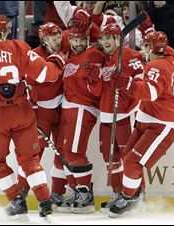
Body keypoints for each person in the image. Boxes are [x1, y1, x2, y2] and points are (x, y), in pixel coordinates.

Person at [0, 14, 65, 218]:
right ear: (5, 30)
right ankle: (44, 201)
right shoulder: (19, 47)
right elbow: (45, 75)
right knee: (30, 159)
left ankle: (16, 200)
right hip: (22, 111)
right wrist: (57, 62)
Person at [108, 31, 174, 217]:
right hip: (148, 116)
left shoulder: (156, 66)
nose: (142, 50)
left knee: (132, 161)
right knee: (128, 156)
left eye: (145, 46)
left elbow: (151, 93)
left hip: (163, 122)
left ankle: (129, 197)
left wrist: (127, 84)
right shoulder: (170, 54)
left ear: (150, 48)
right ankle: (138, 194)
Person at [86, 23, 144, 213]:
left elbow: (140, 82)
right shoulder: (105, 60)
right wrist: (93, 80)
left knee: (129, 157)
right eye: (102, 39)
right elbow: (97, 93)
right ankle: (119, 192)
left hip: (125, 114)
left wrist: (126, 86)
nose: (104, 42)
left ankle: (136, 194)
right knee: (110, 157)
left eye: (108, 38)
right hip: (106, 114)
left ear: (118, 39)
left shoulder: (130, 55)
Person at [16, 22, 69, 211]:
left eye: (58, 37)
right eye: (52, 38)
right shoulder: (35, 56)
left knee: (62, 151)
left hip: (61, 107)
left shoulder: (65, 47)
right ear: (43, 40)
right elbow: (26, 85)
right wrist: (32, 111)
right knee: (33, 155)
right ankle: (20, 194)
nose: (57, 41)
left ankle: (58, 192)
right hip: (41, 112)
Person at [58, 25, 105, 214]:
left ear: (87, 39)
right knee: (64, 152)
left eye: (81, 40)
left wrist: (95, 81)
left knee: (75, 152)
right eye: (74, 40)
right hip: (68, 106)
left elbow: (98, 90)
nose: (77, 44)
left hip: (83, 108)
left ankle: (85, 195)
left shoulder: (94, 55)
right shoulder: (69, 56)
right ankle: (76, 190)